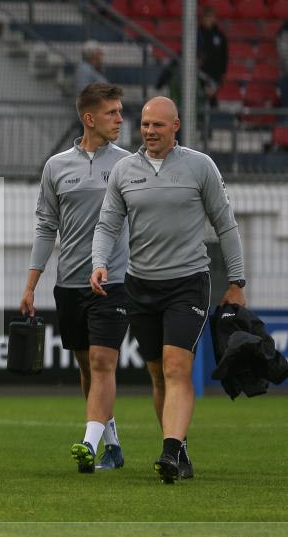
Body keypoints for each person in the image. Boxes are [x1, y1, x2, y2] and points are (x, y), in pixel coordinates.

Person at [91, 96, 247, 484]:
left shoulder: (200, 166)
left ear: (175, 126)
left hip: (188, 284)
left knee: (178, 367)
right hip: (140, 286)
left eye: (157, 125)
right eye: (144, 125)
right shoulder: (124, 171)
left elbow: (225, 225)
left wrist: (237, 281)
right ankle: (180, 449)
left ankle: (169, 451)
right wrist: (99, 261)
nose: (149, 132)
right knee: (158, 375)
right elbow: (107, 225)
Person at [20, 83, 131, 474]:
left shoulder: (127, 164)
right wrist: (31, 284)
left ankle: (87, 444)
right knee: (87, 368)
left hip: (113, 281)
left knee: (103, 362)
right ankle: (112, 445)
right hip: (68, 284)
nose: (120, 119)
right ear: (89, 118)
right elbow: (46, 227)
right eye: (112, 112)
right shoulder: (56, 166)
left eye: (120, 111)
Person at [197, 6, 228, 99]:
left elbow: (224, 56)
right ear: (202, 18)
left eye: (211, 17)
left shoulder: (220, 36)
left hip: (215, 76)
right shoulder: (197, 34)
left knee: (211, 102)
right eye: (207, 17)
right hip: (199, 75)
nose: (209, 20)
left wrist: (221, 75)